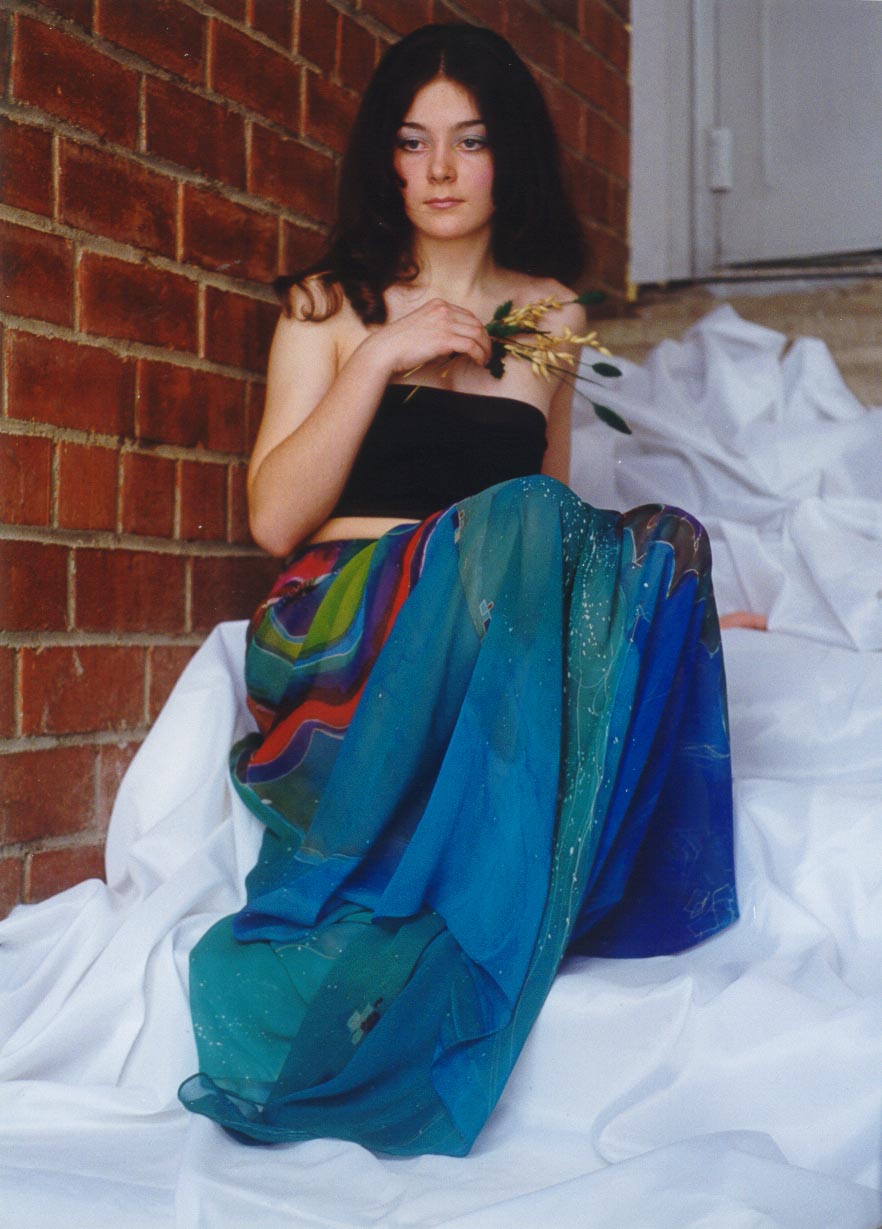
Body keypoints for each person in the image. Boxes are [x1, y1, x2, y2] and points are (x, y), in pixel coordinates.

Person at [178, 23, 739, 1156]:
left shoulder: (551, 320)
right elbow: (273, 517)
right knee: (522, 523)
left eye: (469, 141)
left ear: (506, 156)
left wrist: (651, 604)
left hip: (485, 628)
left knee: (663, 544)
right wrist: (382, 357)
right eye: (413, 140)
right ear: (386, 160)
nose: (439, 169)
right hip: (343, 629)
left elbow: (554, 516)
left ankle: (548, 876)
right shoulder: (328, 305)